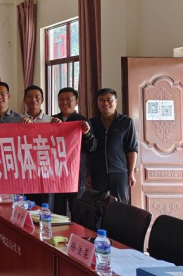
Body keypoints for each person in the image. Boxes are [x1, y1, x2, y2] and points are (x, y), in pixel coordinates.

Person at [50, 87, 97, 215]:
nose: (64, 102)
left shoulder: (82, 121)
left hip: (76, 173)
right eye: (61, 99)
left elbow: (92, 147)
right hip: (56, 172)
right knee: (57, 210)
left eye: (68, 99)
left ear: (76, 101)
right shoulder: (51, 120)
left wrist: (86, 133)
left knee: (77, 208)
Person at [89, 88, 138, 204]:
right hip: (98, 172)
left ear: (116, 102)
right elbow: (88, 150)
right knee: (98, 206)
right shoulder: (92, 123)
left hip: (119, 172)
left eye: (109, 100)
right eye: (101, 100)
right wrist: (88, 174)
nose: (105, 103)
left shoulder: (126, 122)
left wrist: (131, 173)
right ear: (97, 102)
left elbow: (132, 149)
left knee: (120, 206)